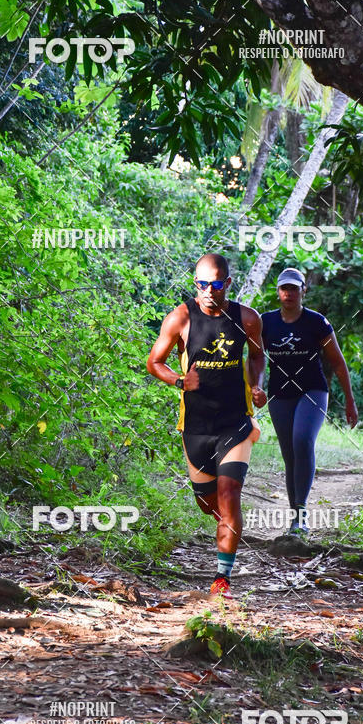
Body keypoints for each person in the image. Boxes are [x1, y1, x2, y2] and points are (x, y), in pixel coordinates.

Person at [146, 253, 267, 599]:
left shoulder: (247, 318)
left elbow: (257, 355)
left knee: (230, 498)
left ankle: (222, 580)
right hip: (195, 426)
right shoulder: (181, 318)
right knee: (208, 504)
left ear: (227, 283)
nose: (208, 291)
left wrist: (256, 385)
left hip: (235, 422)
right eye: (201, 284)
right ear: (194, 283)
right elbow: (154, 361)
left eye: (215, 284)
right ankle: (225, 526)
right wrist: (179, 381)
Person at [261, 268, 358, 535]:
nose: (289, 293)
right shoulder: (266, 322)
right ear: (278, 291)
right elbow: (256, 359)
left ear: (304, 290)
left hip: (313, 391)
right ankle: (295, 516)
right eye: (284, 288)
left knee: (302, 439)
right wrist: (255, 387)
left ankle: (301, 513)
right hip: (279, 394)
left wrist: (350, 401)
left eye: (294, 288)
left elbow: (338, 363)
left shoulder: (317, 322)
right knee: (290, 454)